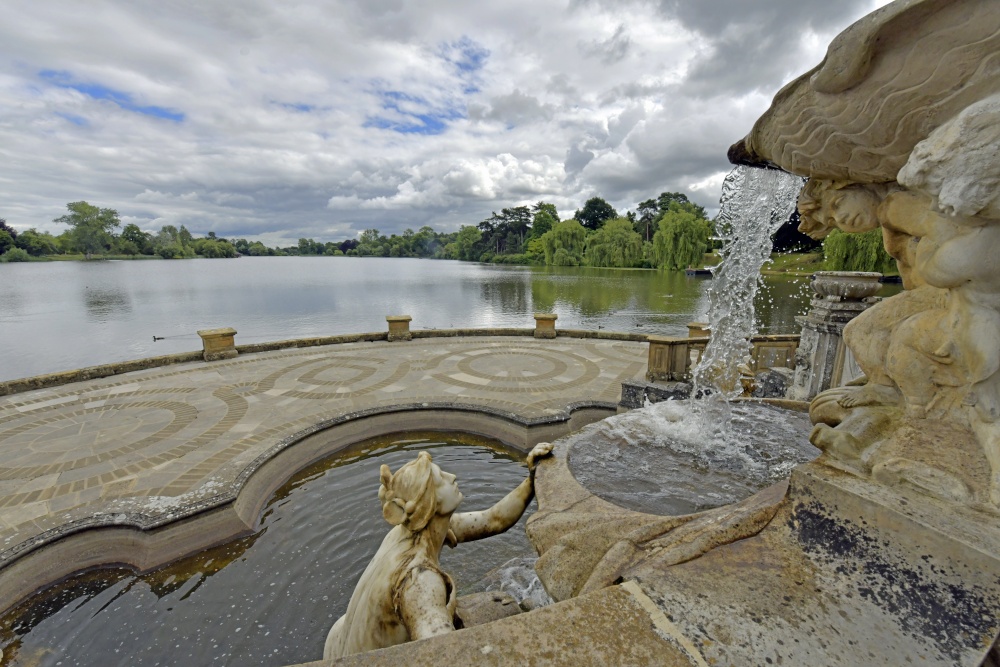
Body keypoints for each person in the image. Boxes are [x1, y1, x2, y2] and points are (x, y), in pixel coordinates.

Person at [323, 442, 554, 659]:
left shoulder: (411, 529)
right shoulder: (419, 581)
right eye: (441, 478)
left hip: (340, 646)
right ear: (429, 503)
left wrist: (531, 478)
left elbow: (493, 519)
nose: (452, 476)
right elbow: (442, 653)